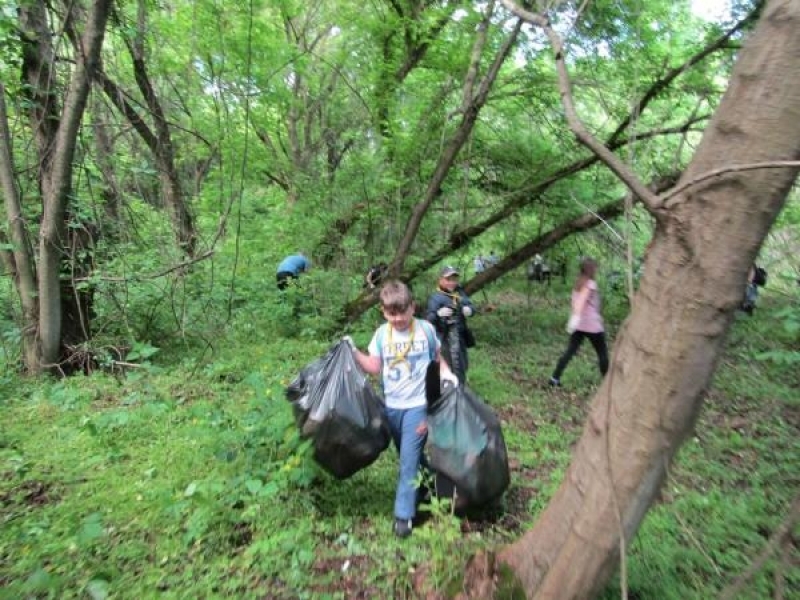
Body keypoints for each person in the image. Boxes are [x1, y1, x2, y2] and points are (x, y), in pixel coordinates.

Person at [344, 281, 458, 539]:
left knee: (408, 461)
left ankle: (404, 516)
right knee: (413, 458)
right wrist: (352, 351)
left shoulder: (426, 331)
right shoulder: (382, 335)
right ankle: (436, 483)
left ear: (412, 307)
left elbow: (437, 359)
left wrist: (449, 377)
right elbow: (375, 366)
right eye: (390, 314)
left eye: (401, 313)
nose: (397, 319)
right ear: (384, 312)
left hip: (419, 407)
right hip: (392, 408)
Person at [549, 257, 609, 387]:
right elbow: (580, 303)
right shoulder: (590, 284)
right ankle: (607, 382)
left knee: (570, 351)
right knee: (602, 353)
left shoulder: (578, 283)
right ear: (591, 269)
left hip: (579, 325)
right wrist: (576, 315)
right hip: (592, 325)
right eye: (595, 268)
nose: (596, 270)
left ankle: (554, 378)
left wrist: (575, 319)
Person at [426, 266, 475, 383]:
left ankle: (461, 389)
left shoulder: (460, 293)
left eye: (454, 279)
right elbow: (428, 319)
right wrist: (438, 314)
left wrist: (470, 310)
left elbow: (472, 306)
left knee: (462, 365)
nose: (452, 282)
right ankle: (450, 392)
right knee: (449, 367)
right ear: (440, 280)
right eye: (448, 279)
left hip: (460, 338)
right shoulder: (435, 298)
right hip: (445, 340)